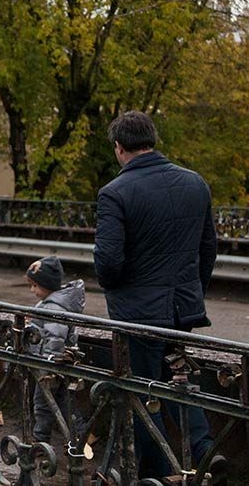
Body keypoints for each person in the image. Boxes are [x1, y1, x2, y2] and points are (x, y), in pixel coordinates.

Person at [94, 110, 225, 483]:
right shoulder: (195, 183)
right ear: (152, 141)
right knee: (180, 379)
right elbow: (208, 249)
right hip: (181, 308)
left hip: (138, 313)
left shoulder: (114, 193)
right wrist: (190, 291)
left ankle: (161, 472)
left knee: (143, 392)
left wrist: (118, 288)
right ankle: (203, 449)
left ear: (119, 148)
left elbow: (108, 262)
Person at [24, 255, 85, 444]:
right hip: (60, 362)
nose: (32, 290)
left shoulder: (53, 306)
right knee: (65, 401)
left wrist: (49, 363)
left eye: (35, 286)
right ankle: (82, 434)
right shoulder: (54, 303)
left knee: (42, 405)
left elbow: (55, 336)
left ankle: (40, 440)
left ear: (48, 285)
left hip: (50, 365)